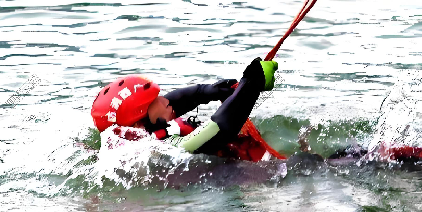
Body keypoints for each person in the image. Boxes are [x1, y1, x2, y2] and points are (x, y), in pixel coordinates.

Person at [90, 58, 285, 161]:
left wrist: (208, 91)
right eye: (154, 100)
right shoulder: (163, 150)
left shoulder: (143, 134)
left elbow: (174, 102)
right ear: (139, 122)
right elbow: (220, 128)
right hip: (239, 179)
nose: (164, 99)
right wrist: (252, 83)